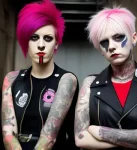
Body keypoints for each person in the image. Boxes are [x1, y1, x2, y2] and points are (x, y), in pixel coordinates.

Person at [1, 0, 79, 149]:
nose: (41, 44)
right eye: (34, 37)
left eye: (48, 38)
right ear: (26, 41)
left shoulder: (67, 80)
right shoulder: (11, 79)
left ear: (56, 43)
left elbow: (49, 137)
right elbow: (8, 134)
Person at [75, 6, 137, 150]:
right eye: (104, 42)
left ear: (133, 38)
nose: (111, 47)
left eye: (118, 37)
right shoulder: (90, 84)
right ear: (101, 50)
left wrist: (100, 132)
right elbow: (80, 139)